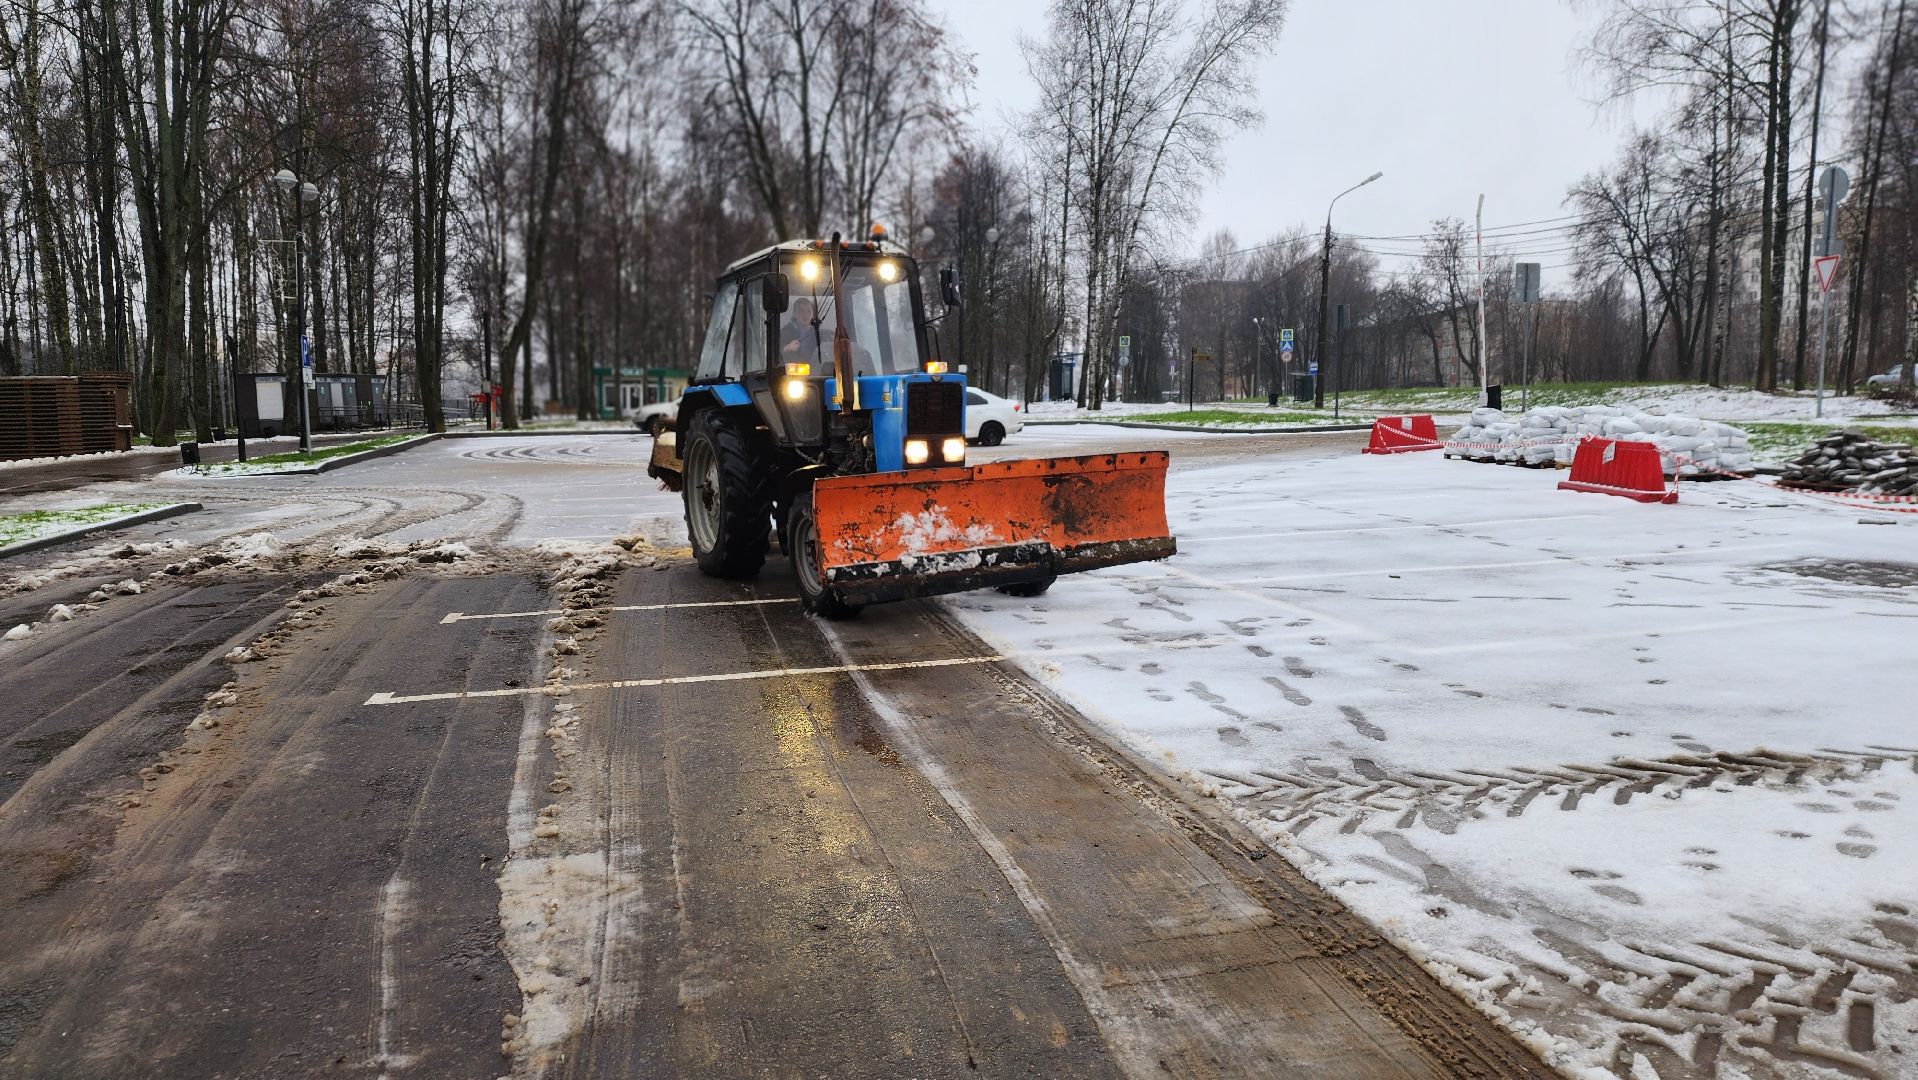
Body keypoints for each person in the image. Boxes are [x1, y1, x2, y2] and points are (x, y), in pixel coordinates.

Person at [781, 297, 823, 365]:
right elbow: (773, 354)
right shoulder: (784, 333)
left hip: (817, 372)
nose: (805, 315)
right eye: (801, 311)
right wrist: (786, 348)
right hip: (791, 372)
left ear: (813, 314)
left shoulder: (820, 335)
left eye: (809, 311)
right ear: (794, 314)